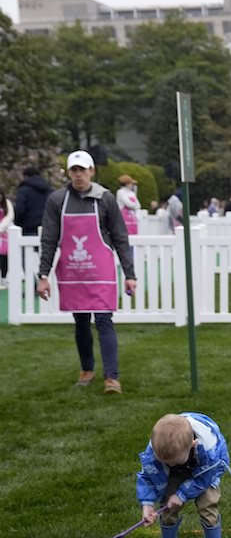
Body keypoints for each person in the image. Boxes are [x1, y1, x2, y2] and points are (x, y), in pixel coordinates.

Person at [35, 151, 137, 394]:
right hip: (72, 270)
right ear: (69, 173)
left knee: (104, 319)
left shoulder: (105, 199)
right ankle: (87, 369)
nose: (79, 175)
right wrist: (43, 276)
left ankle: (112, 377)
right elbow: (49, 239)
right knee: (80, 320)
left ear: (92, 171)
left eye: (83, 169)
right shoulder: (57, 200)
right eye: (74, 170)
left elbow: (120, 238)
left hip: (101, 270)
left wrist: (129, 274)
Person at [135, 412, 231, 538]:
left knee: (208, 504)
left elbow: (204, 478)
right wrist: (147, 504)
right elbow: (148, 476)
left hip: (204, 473)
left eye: (175, 461)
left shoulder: (209, 449)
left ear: (192, 445)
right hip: (172, 475)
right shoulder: (156, 449)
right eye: (165, 461)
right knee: (167, 505)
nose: (171, 464)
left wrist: (182, 494)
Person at [15, 165, 52, 239]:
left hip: (28, 228)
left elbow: (19, 210)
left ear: (26, 176)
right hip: (47, 227)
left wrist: (18, 223)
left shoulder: (23, 190)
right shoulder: (50, 191)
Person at [0, 189, 13, 289]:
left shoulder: (7, 203)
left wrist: (1, 228)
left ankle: (4, 278)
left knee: (5, 256)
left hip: (5, 234)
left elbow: (10, 216)